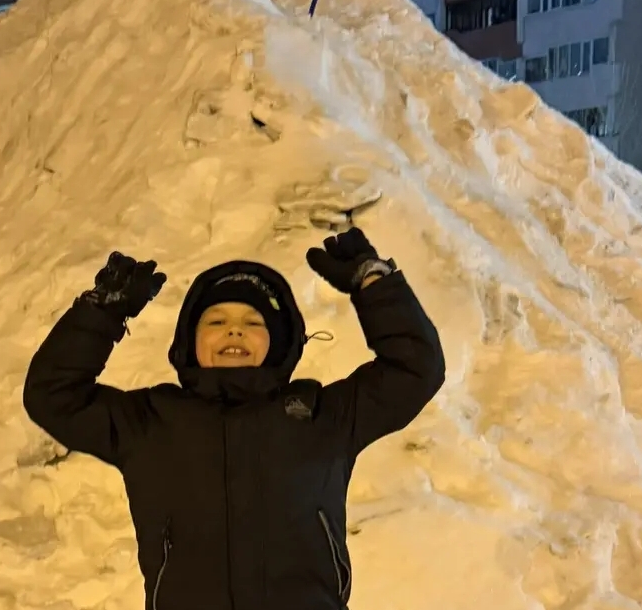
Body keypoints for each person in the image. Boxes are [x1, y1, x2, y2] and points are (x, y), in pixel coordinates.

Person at [23, 227, 445, 610]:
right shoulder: (150, 422)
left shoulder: (322, 416)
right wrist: (102, 312)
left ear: (278, 341)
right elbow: (53, 396)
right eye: (216, 321)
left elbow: (414, 370)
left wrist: (374, 283)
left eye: (253, 321)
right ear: (191, 340)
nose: (234, 331)